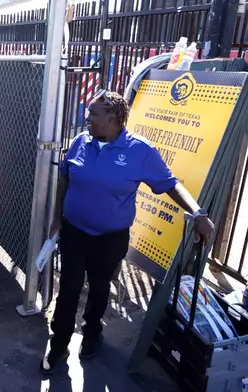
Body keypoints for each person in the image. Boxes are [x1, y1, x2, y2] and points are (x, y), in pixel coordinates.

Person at [41, 90, 215, 374]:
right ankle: (59, 343)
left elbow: (170, 184)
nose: (86, 119)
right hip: (74, 233)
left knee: (99, 289)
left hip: (111, 240)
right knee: (69, 289)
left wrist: (198, 213)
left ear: (113, 118)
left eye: (93, 114)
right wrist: (57, 218)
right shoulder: (80, 142)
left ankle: (92, 334)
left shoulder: (140, 151)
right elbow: (65, 178)